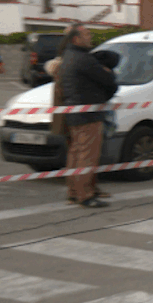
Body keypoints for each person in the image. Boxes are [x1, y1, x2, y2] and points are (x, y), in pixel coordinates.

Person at [60, 24, 118, 207]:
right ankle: (85, 195)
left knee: (76, 153)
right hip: (88, 114)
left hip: (75, 112)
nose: (90, 37)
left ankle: (74, 191)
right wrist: (110, 76)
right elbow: (107, 80)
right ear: (76, 39)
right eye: (86, 34)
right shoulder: (83, 59)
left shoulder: (68, 56)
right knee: (87, 155)